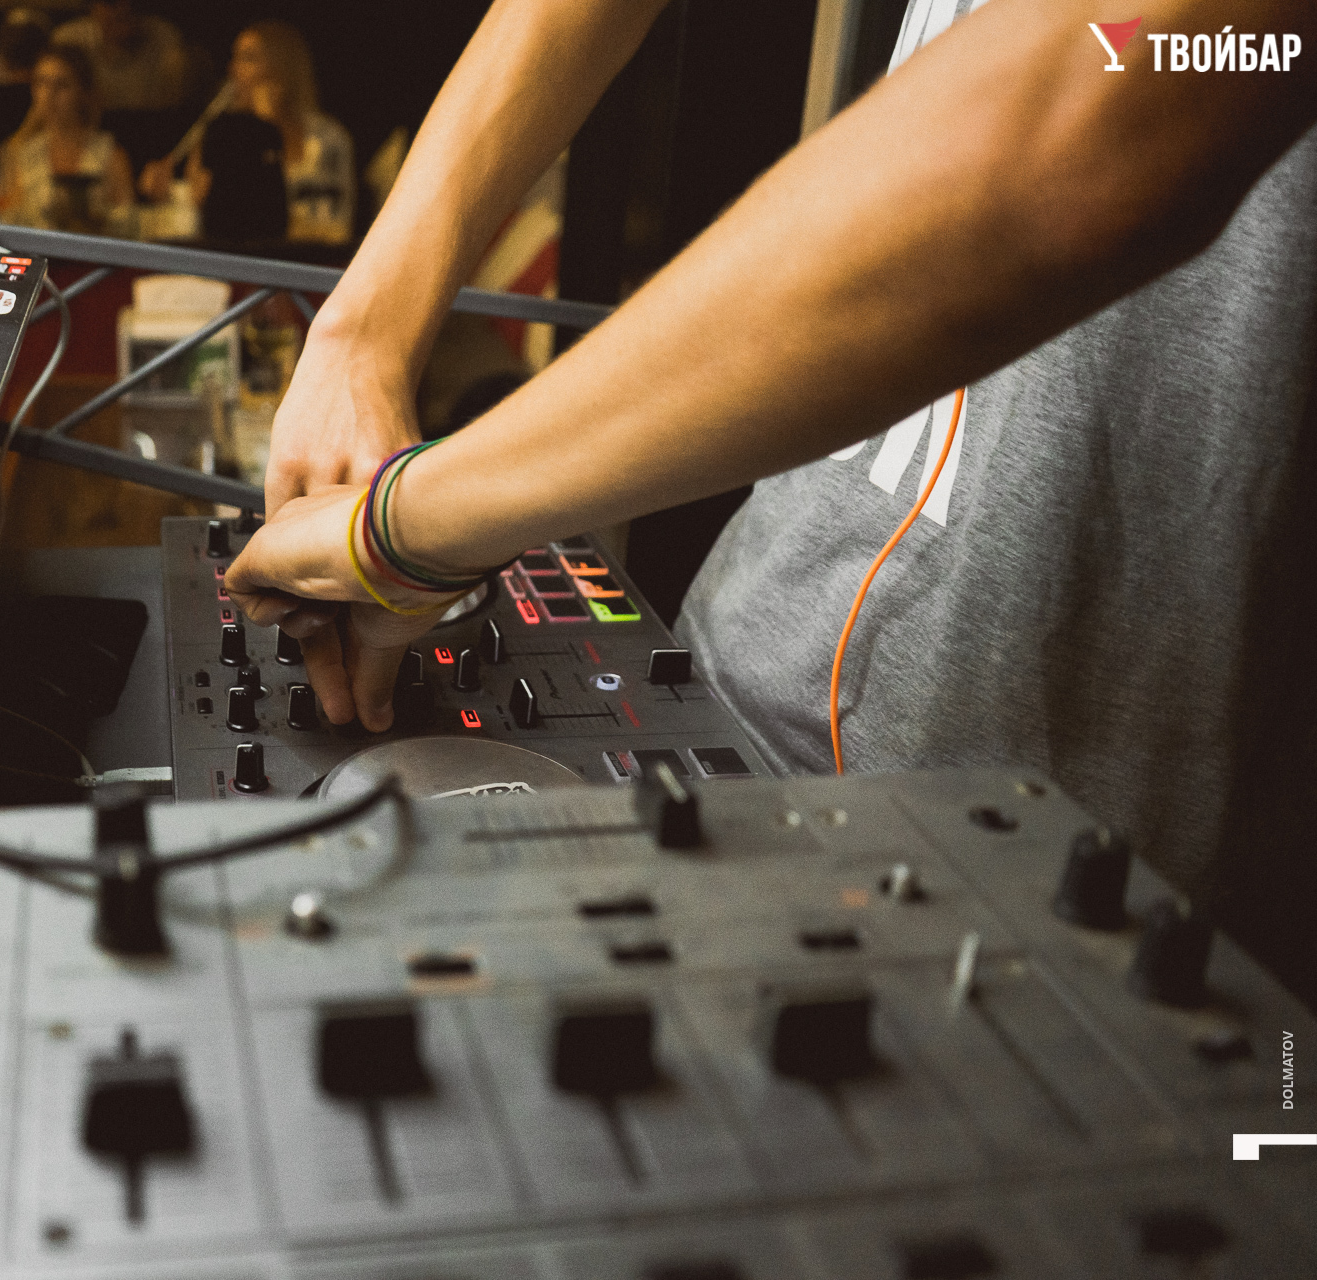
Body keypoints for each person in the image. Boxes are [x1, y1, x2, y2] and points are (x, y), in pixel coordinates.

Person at [224, 0, 1317, 995]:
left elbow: (1078, 118)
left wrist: (409, 525)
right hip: (724, 671)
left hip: (1061, 836)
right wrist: (362, 329)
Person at [140, 21, 356, 244]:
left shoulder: (327, 136)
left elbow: (337, 225)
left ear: (282, 68)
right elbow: (210, 213)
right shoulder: (221, 136)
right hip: (246, 255)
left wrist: (266, 128)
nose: (234, 70)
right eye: (235, 58)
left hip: (313, 257)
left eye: (248, 59)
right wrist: (169, 193)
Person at [0, 42, 136, 235]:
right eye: (41, 83)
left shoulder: (109, 154)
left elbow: (128, 226)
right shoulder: (22, 153)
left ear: (82, 92)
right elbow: (8, 221)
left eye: (62, 85)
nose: (49, 95)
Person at [52, 0, 188, 112]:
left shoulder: (164, 39)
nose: (122, 10)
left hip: (152, 128)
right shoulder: (70, 41)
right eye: (111, 3)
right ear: (93, 8)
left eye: (133, 4)